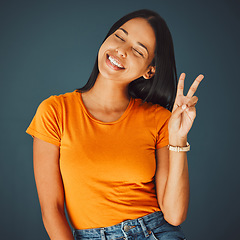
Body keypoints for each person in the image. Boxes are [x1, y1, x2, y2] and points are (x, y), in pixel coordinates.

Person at [25, 9, 203, 240]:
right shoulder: (55, 111)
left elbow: (174, 215)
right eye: (120, 37)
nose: (121, 50)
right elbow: (52, 210)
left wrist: (178, 138)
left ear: (150, 71)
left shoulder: (159, 119)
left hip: (155, 233)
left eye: (138, 50)